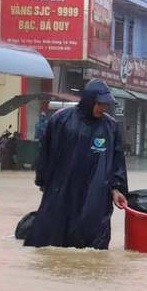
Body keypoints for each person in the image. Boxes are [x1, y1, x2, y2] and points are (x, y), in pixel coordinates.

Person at [24, 79, 128, 249]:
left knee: (94, 246)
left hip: (96, 195)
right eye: (100, 104)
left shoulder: (111, 127)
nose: (103, 108)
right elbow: (45, 153)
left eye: (106, 105)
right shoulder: (61, 121)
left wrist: (117, 189)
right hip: (63, 190)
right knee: (54, 239)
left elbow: (117, 161)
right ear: (89, 100)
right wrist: (43, 180)